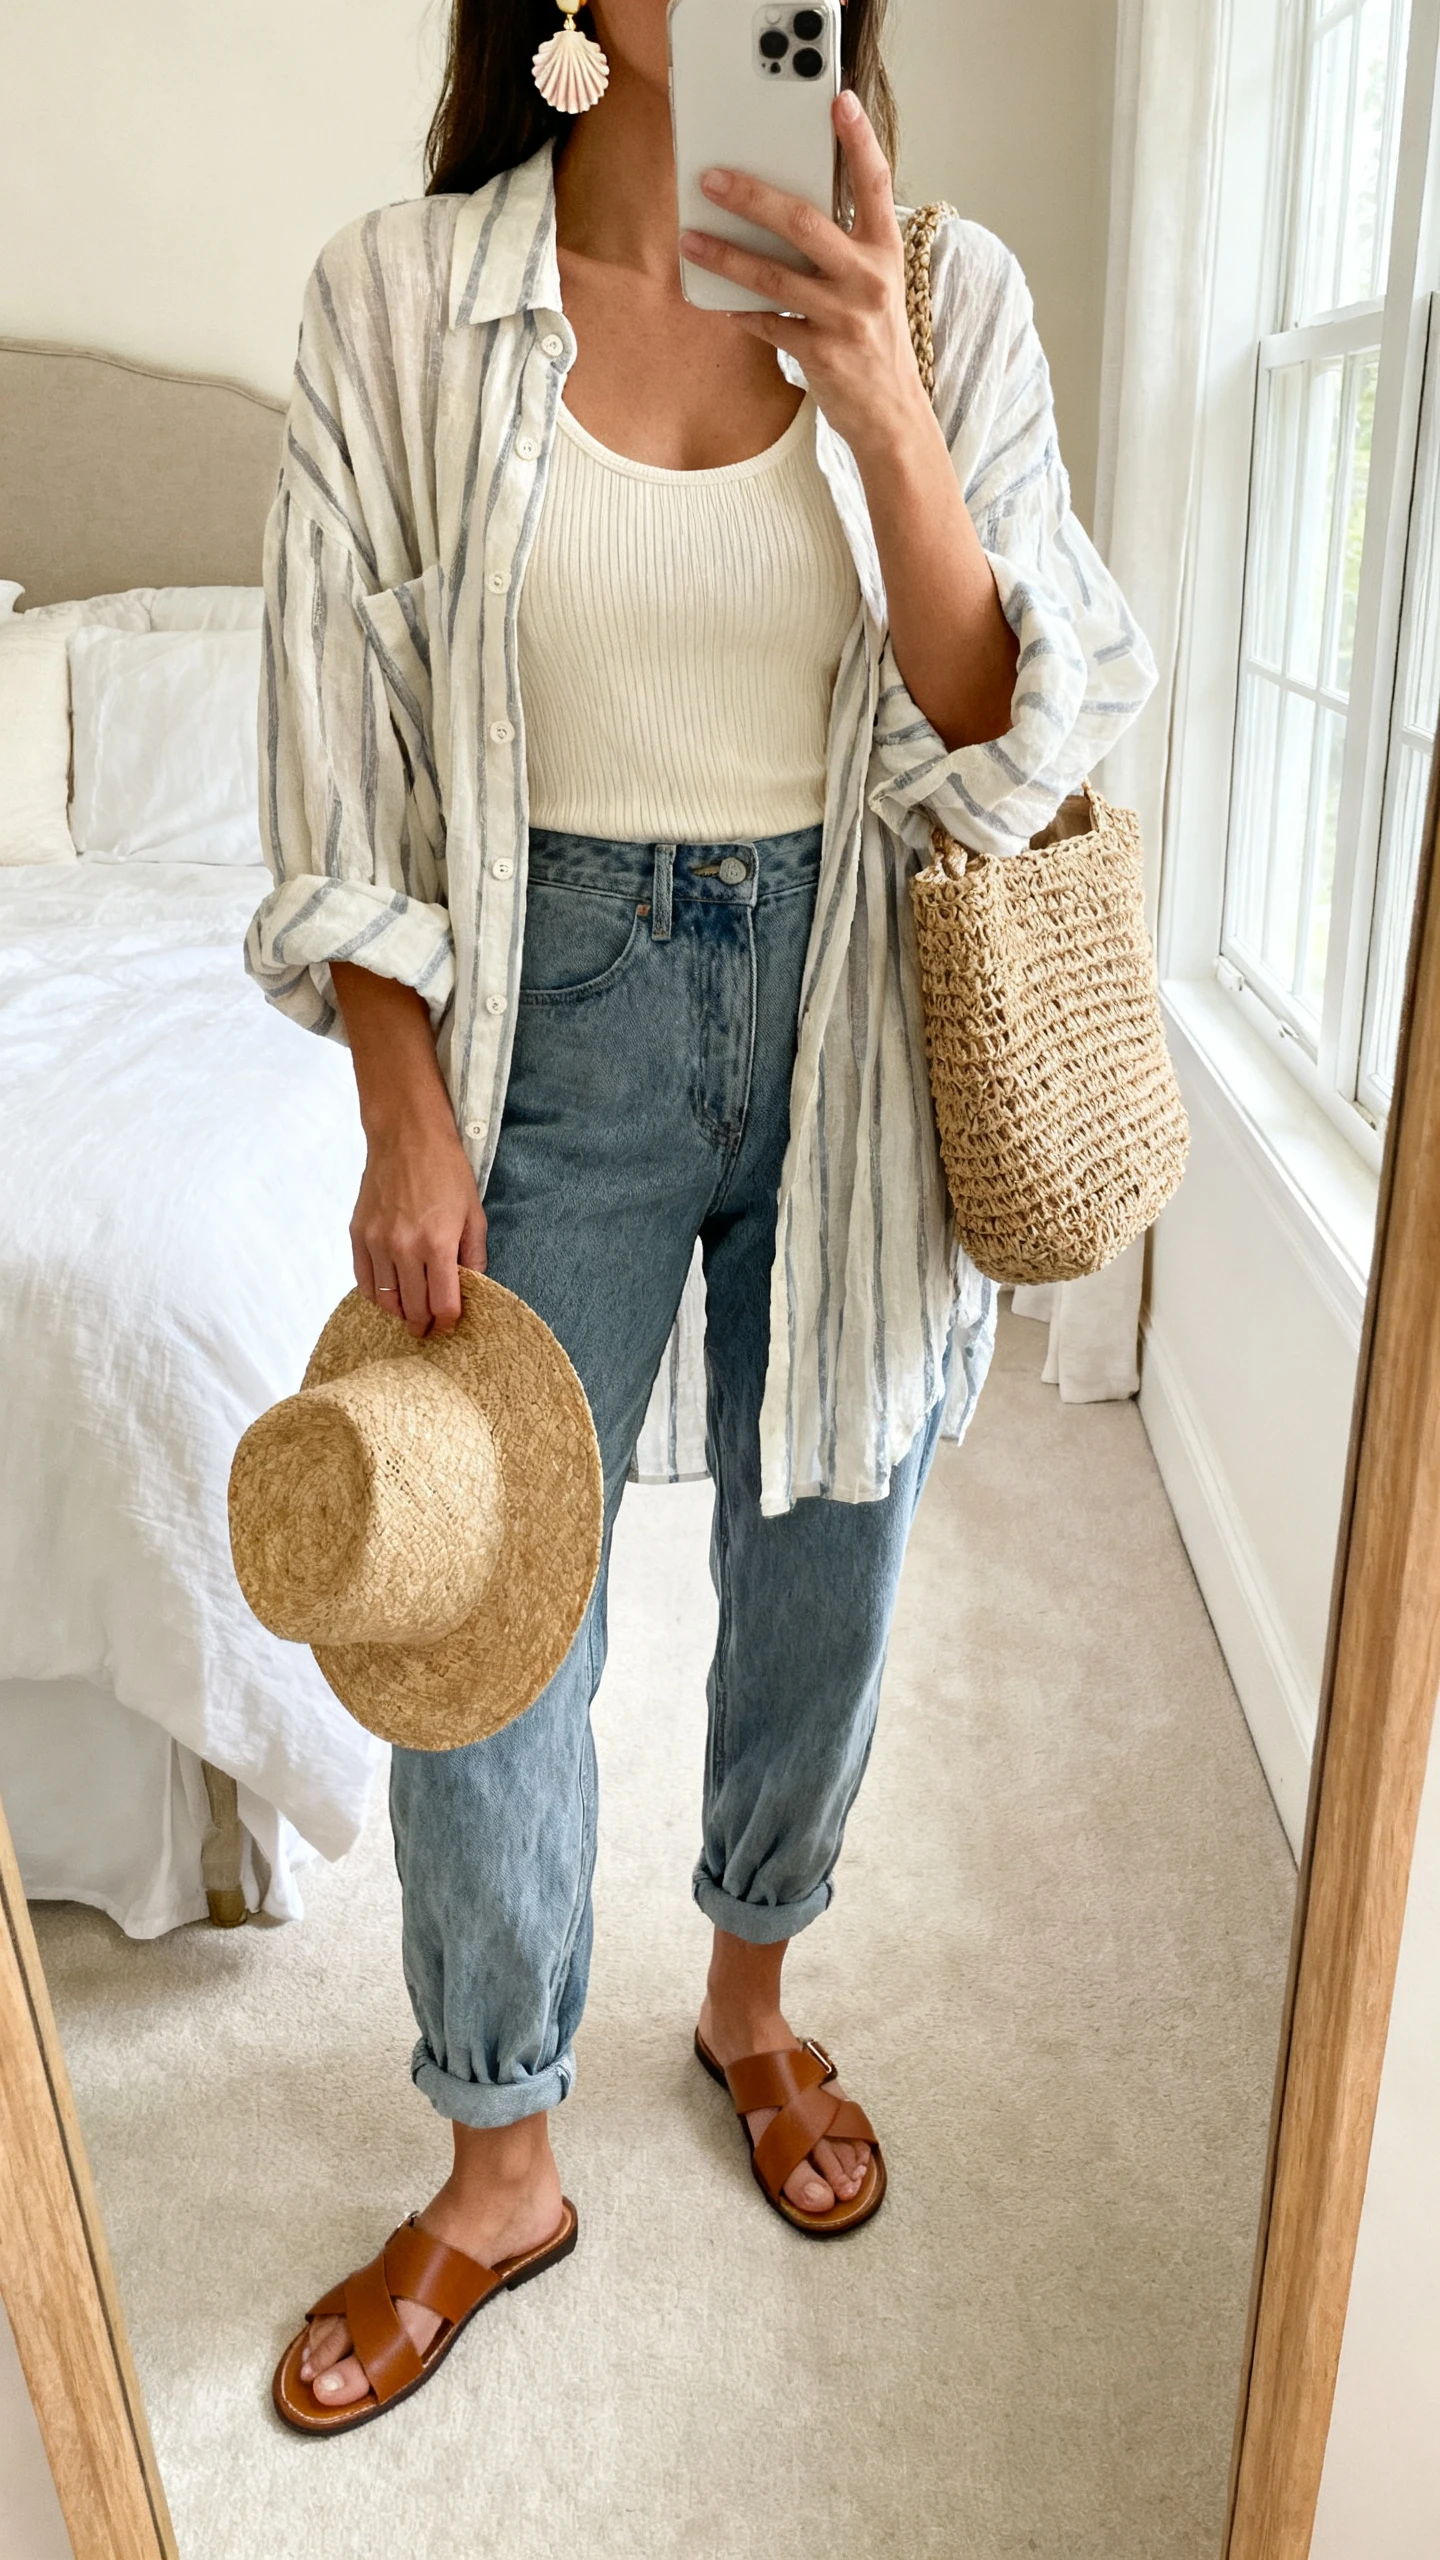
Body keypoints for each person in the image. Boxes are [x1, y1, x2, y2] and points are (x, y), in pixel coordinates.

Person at [249, 0, 1154, 2426]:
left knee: (832, 1542)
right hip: (546, 1014)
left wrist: (882, 403)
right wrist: (400, 1097)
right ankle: (500, 2145)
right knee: (491, 1595)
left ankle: (753, 1992)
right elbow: (346, 731)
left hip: (860, 990)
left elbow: (1012, 731)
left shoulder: (940, 289)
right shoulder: (393, 300)